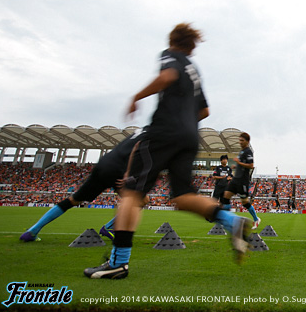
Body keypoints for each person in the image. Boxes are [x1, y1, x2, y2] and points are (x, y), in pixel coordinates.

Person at [84, 23, 250, 280]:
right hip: (190, 136)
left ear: (173, 41)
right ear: (191, 46)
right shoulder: (195, 70)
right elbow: (205, 111)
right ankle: (232, 222)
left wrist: (136, 97)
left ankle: (118, 263)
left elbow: (167, 76)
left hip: (163, 132)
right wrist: (183, 121)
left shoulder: (170, 55)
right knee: (182, 196)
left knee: (132, 192)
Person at [20, 128, 148, 242]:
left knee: (74, 200)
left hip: (104, 163)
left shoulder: (141, 130)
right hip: (119, 169)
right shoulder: (158, 133)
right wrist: (129, 173)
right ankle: (109, 228)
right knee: (142, 200)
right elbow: (139, 148)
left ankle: (32, 231)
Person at [220, 133, 261, 230]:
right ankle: (228, 220)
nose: (240, 142)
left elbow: (251, 165)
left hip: (243, 180)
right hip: (235, 179)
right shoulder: (242, 151)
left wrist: (239, 163)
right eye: (239, 140)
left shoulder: (248, 152)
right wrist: (236, 166)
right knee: (226, 196)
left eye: (242, 140)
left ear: (247, 141)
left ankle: (256, 219)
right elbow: (243, 164)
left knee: (245, 202)